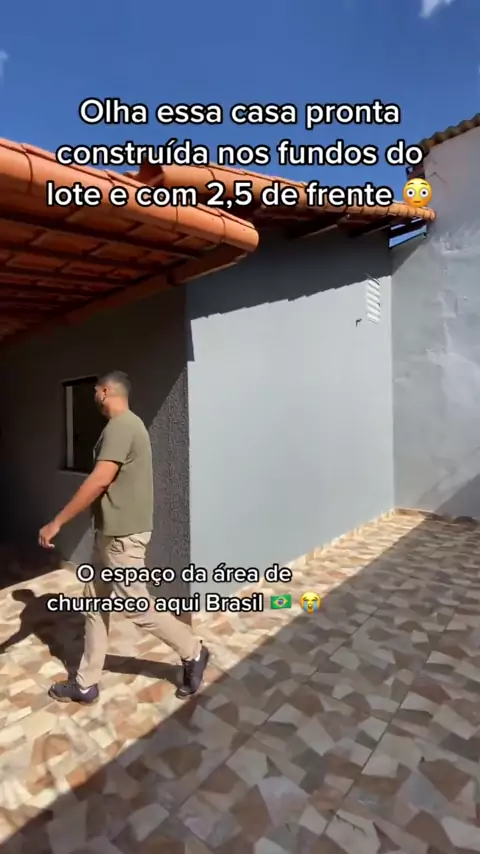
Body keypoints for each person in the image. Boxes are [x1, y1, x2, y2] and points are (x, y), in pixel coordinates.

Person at [39, 370, 209, 704]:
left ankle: (193, 651)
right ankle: (86, 683)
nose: (94, 397)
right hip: (109, 534)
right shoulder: (126, 426)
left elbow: (100, 479)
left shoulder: (121, 427)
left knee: (136, 606)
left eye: (95, 391)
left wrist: (57, 522)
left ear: (104, 391)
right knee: (93, 603)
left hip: (122, 538)